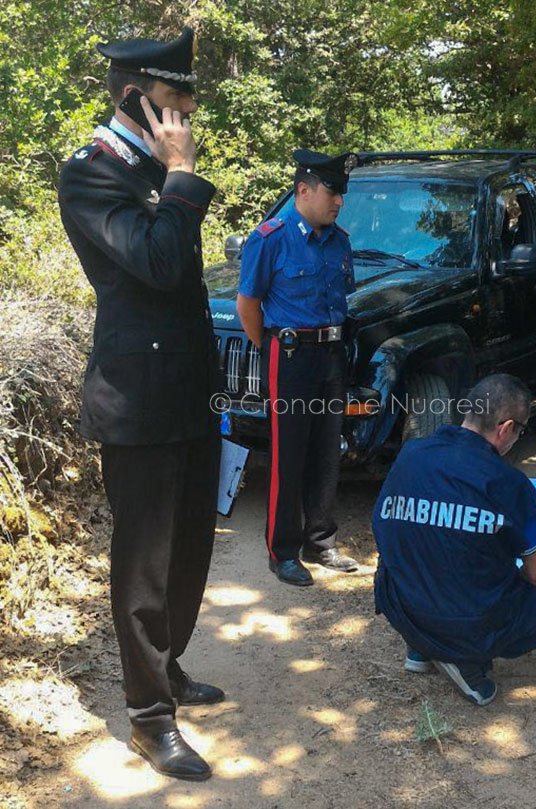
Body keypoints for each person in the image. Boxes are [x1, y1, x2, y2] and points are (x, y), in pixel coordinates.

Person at [58, 27, 223, 780]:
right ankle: (150, 717)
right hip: (137, 400)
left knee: (191, 549)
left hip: (189, 389)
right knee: (146, 566)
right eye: (178, 95)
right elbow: (158, 264)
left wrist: (176, 176)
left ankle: (170, 665)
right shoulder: (91, 175)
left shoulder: (156, 168)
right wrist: (182, 175)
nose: (188, 107)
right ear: (137, 96)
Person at [372, 374, 536, 706]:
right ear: (505, 428)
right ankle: (464, 659)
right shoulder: (507, 483)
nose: (517, 438)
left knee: (418, 552)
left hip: (402, 604)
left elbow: (384, 528)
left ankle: (421, 645)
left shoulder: (411, 454)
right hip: (467, 621)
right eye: (521, 430)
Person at [236, 150, 360, 586]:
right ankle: (282, 550)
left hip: (331, 354)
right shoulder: (270, 238)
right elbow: (248, 305)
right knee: (288, 455)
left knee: (328, 450)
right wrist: (272, 345)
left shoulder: (339, 241)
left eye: (341, 193)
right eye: (332, 192)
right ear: (303, 190)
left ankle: (320, 541)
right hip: (288, 356)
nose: (339, 201)